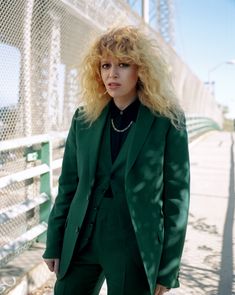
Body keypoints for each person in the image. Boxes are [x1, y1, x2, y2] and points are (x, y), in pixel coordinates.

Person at [43, 26, 190, 295]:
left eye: (123, 64)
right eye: (105, 65)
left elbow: (176, 197)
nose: (112, 73)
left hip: (133, 243)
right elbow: (68, 185)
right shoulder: (84, 118)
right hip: (81, 239)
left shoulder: (168, 121)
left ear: (141, 70)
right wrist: (54, 241)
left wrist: (168, 268)